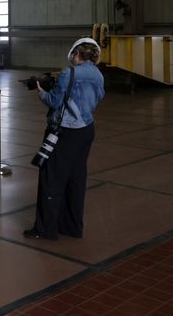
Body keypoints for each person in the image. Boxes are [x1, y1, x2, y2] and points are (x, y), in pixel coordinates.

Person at [24, 37, 105, 240]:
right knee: (75, 179)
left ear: (76, 53)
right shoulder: (98, 75)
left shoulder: (69, 73)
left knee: (52, 178)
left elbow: (55, 100)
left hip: (65, 132)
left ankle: (45, 229)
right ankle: (71, 226)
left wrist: (41, 92)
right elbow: (97, 97)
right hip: (86, 130)